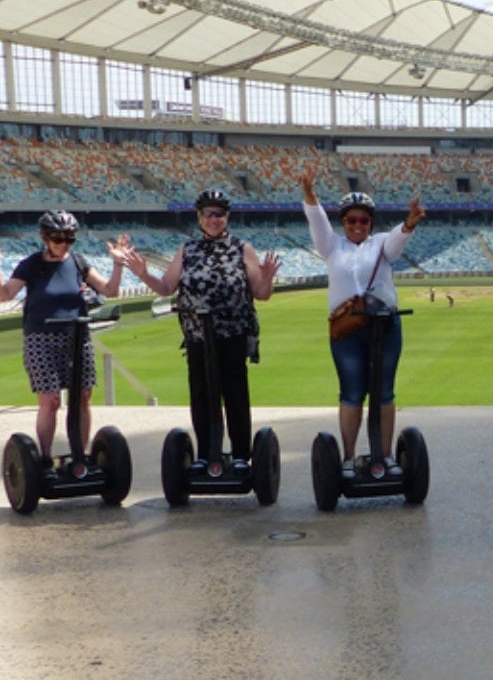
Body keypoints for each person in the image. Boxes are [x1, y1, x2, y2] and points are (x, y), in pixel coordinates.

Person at [116, 188, 279, 473]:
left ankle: (241, 454)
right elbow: (167, 287)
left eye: (219, 214)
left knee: (235, 395)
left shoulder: (242, 248)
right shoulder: (187, 250)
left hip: (232, 334)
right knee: (202, 396)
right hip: (198, 337)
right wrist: (142, 273)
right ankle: (205, 453)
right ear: (199, 217)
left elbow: (261, 294)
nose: (214, 219)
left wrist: (266, 278)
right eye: (209, 214)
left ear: (227, 217)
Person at [0, 211, 127, 469]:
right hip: (41, 338)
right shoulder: (32, 264)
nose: (63, 244)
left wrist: (119, 265)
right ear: (45, 238)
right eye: (57, 239)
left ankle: (82, 455)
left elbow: (109, 290)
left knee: (83, 396)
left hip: (77, 336)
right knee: (50, 400)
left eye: (69, 239)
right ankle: (44, 458)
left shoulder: (78, 262)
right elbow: (4, 295)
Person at [298, 169, 425, 479]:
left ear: (371, 223)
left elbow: (397, 241)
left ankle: (386, 456)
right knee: (352, 393)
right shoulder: (332, 247)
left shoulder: (381, 244)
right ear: (343, 223)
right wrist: (310, 194)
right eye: (351, 220)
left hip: (385, 326)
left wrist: (409, 222)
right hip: (347, 330)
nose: (357, 225)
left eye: (363, 220)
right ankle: (349, 458)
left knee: (384, 392)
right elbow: (318, 223)